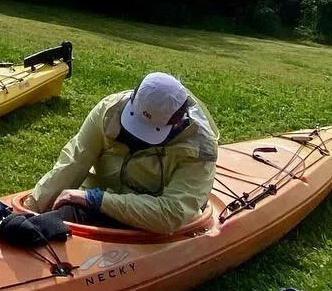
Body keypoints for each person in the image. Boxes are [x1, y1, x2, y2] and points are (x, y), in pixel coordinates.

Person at [23, 71, 218, 235]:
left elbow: (172, 214)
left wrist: (97, 200)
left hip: (149, 220)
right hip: (96, 201)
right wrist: (31, 208)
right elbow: (75, 161)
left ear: (177, 121)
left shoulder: (200, 147)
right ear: (133, 99)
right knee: (54, 218)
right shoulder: (109, 110)